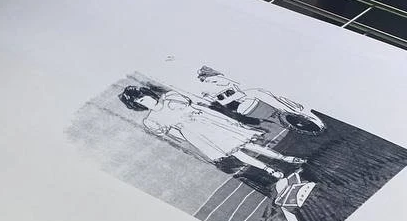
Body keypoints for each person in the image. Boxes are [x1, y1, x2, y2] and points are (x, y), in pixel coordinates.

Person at [119, 84, 306, 183]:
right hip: (196, 135)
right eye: (140, 102)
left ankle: (284, 158)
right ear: (138, 105)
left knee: (248, 143)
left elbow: (195, 108)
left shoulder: (170, 98)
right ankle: (269, 169)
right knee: (236, 153)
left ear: (148, 94)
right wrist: (192, 137)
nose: (146, 101)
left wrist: (224, 120)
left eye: (144, 97)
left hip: (209, 123)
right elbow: (173, 134)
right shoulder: (151, 120)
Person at [196, 67, 324, 133]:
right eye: (209, 81)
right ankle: (291, 113)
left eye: (212, 79)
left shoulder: (225, 82)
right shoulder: (215, 90)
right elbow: (227, 102)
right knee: (260, 94)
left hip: (250, 100)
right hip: (244, 106)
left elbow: (239, 90)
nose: (213, 82)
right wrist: (234, 97)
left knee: (262, 93)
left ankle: (292, 111)